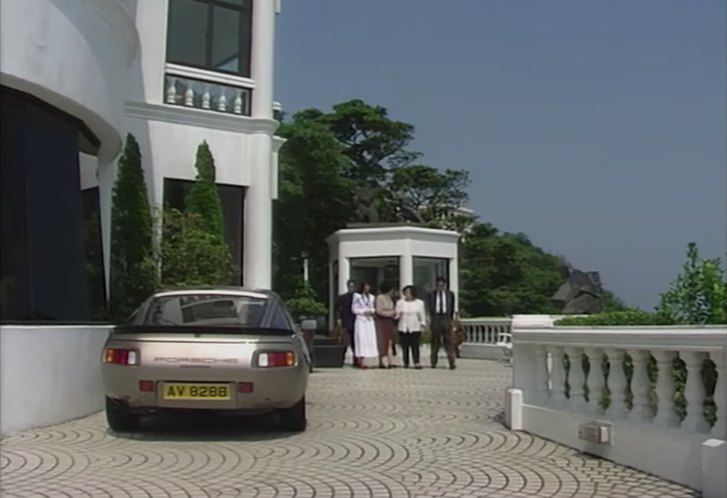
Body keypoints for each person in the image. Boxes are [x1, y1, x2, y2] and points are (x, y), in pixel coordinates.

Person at [426, 276, 457, 370]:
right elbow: (429, 307)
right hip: (436, 317)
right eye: (438, 285)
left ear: (445, 285)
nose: (440, 287)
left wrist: (451, 320)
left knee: (449, 341)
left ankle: (452, 362)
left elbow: (452, 308)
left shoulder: (450, 294)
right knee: (435, 341)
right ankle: (433, 361)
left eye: (442, 285)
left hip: (446, 317)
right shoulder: (431, 294)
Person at [395, 285, 426, 369]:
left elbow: (422, 315)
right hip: (403, 326)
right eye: (406, 292)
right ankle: (406, 362)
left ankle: (416, 362)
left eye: (409, 292)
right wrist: (398, 314)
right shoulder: (400, 303)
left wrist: (422, 325)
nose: (407, 294)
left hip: (415, 326)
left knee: (415, 345)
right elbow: (396, 315)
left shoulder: (419, 303)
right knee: (405, 345)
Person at [351, 281, 378, 368]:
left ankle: (367, 359)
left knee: (369, 339)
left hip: (369, 320)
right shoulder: (357, 296)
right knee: (361, 339)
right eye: (366, 286)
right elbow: (354, 308)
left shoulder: (372, 297)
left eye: (368, 286)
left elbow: (373, 307)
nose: (367, 288)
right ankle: (360, 359)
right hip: (361, 319)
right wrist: (363, 312)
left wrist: (371, 311)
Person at [375, 281, 397, 369]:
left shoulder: (389, 298)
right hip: (382, 321)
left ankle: (390, 359)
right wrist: (391, 313)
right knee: (382, 340)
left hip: (389, 321)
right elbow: (379, 311)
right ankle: (383, 360)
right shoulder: (380, 298)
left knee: (389, 341)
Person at [335, 280, 357, 364]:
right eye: (349, 286)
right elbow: (337, 308)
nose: (351, 288)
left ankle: (356, 359)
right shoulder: (343, 297)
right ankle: (341, 358)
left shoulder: (357, 297)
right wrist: (338, 318)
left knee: (354, 341)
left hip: (355, 321)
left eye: (352, 286)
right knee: (344, 341)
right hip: (345, 321)